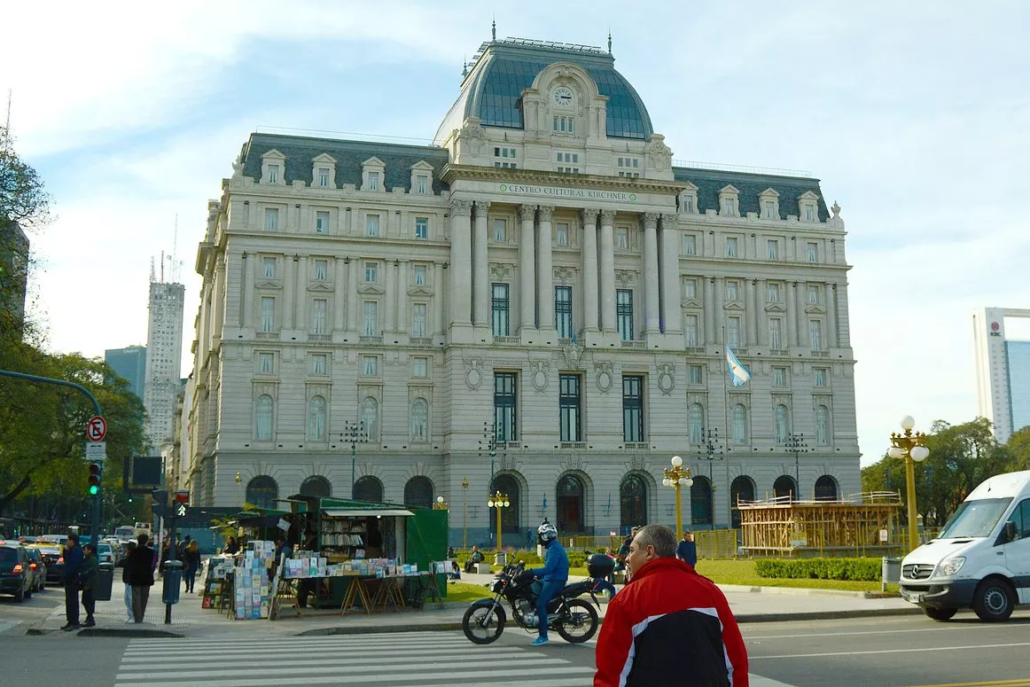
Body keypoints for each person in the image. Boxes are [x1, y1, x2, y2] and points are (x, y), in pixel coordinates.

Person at [594, 525, 749, 687]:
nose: (627, 558)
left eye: (632, 550)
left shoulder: (627, 601)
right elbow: (736, 662)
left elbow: (611, 674)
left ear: (649, 552)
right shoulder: (711, 593)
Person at [527, 521, 569, 647]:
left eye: (540, 535)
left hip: (555, 580)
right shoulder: (552, 547)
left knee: (540, 603)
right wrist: (534, 575)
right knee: (531, 587)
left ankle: (543, 636)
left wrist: (531, 571)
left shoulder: (554, 549)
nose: (539, 538)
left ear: (546, 536)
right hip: (550, 578)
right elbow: (548, 570)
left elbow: (549, 569)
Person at [126, 533, 156, 623]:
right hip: (147, 578)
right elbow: (153, 565)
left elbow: (129, 563)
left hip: (136, 577)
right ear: (146, 541)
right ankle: (141, 615)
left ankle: (137, 617)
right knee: (144, 598)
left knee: (136, 598)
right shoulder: (151, 552)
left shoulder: (134, 552)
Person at [61, 533, 84, 631]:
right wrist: (65, 552)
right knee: (69, 600)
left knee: (72, 600)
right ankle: (70, 620)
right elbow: (66, 560)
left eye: (68, 540)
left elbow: (73, 565)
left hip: (73, 579)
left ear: (72, 541)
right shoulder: (72, 550)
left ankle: (74, 621)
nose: (67, 542)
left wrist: (67, 573)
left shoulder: (77, 551)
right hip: (70, 579)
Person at [116, 540, 137, 622]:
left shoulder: (131, 557)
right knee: (127, 598)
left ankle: (132, 616)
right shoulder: (133, 556)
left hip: (130, 580)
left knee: (129, 598)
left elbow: (122, 563)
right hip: (129, 580)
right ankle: (130, 615)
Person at [79, 544, 99, 627]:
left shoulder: (92, 559)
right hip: (89, 583)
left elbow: (91, 571)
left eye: (85, 549)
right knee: (86, 601)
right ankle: (89, 617)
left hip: (90, 583)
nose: (84, 551)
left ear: (89, 550)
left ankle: (90, 618)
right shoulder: (89, 558)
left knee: (86, 601)